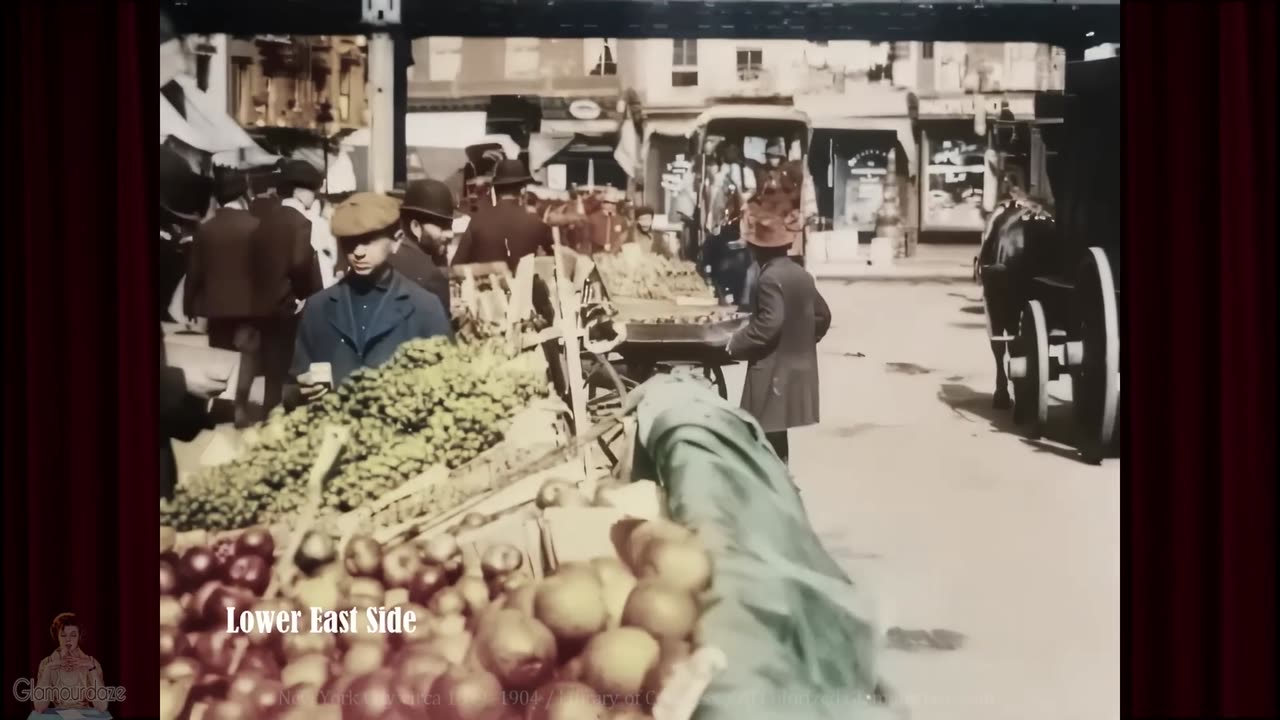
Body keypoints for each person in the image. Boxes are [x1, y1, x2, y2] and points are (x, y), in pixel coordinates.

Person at [292, 193, 452, 390]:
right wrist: (298, 392)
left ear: (396, 241)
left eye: (368, 240)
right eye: (349, 242)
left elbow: (448, 386)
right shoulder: (317, 307)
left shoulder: (425, 308)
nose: (358, 252)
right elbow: (294, 381)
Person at [725, 225, 832, 465]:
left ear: (758, 251)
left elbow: (769, 323)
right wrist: (801, 339)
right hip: (797, 365)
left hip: (772, 369)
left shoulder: (768, 277)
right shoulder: (801, 273)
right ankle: (783, 478)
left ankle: (770, 485)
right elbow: (823, 316)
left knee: (761, 431)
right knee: (777, 429)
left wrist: (735, 341)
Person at [182, 170, 265, 426]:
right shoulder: (256, 226)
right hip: (250, 306)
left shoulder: (206, 230)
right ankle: (240, 405)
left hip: (216, 306)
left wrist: (189, 303)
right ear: (242, 193)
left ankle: (222, 406)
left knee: (222, 354)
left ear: (217, 198)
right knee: (248, 355)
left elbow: (195, 271)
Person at [245, 163, 324, 414]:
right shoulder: (300, 222)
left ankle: (269, 413)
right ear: (301, 192)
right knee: (293, 369)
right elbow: (300, 264)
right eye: (313, 190)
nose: (315, 196)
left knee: (272, 370)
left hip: (261, 307)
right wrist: (301, 296)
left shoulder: (264, 222)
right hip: (288, 309)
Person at [452, 159, 554, 270]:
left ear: (496, 190)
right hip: (524, 286)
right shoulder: (537, 224)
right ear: (523, 190)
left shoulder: (477, 220)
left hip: (487, 285)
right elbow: (556, 262)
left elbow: (456, 266)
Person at [393, 179, 455, 314]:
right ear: (415, 227)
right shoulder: (432, 277)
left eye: (450, 226)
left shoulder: (384, 257)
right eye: (442, 225)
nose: (450, 234)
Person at [279, 160, 339, 288]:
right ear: (298, 191)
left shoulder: (271, 216)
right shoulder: (307, 222)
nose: (315, 196)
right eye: (312, 191)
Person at [32, 613, 109, 714]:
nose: (68, 639)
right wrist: (48, 669)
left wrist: (92, 669)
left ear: (79, 636)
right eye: (63, 635)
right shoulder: (47, 663)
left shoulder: (91, 662)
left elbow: (102, 707)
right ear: (57, 636)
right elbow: (39, 708)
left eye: (73, 635)